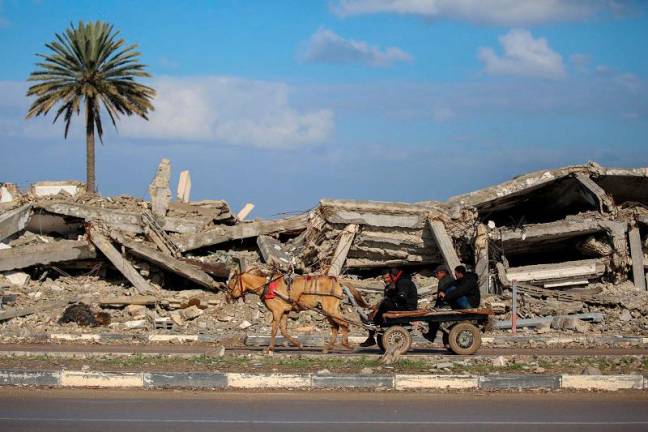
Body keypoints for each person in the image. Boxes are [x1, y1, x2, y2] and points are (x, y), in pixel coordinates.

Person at [359, 268, 418, 347]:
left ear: (392, 276)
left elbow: (401, 297)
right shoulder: (389, 287)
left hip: (406, 307)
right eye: (384, 278)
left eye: (388, 277)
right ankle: (371, 337)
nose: (386, 280)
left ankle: (375, 322)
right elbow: (387, 298)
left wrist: (380, 307)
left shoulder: (402, 282)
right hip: (398, 305)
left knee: (383, 306)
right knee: (370, 313)